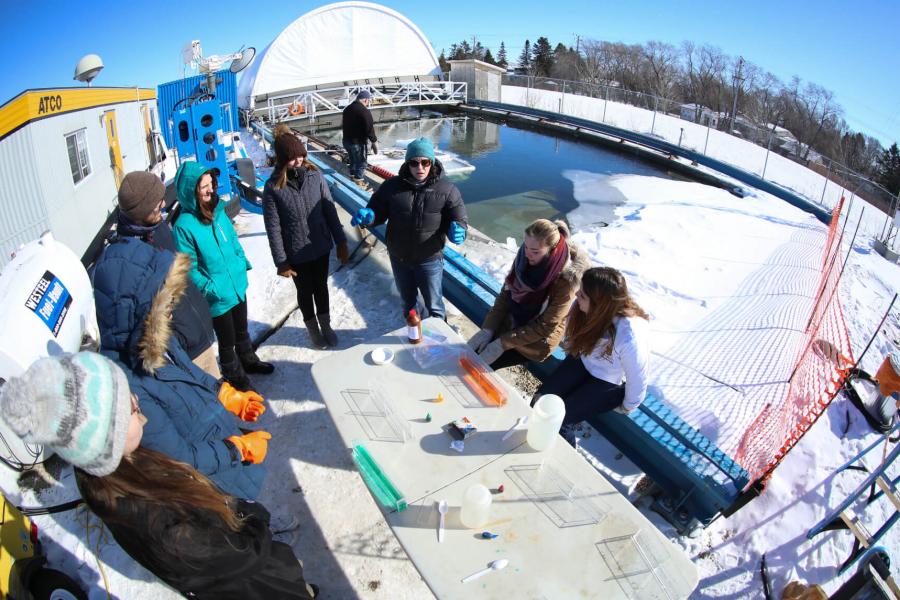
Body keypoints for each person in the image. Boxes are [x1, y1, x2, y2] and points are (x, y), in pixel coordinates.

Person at [0, 352, 318, 599]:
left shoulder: (128, 465)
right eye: (130, 408)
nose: (141, 409)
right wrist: (256, 520)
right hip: (250, 587)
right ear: (105, 441)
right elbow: (240, 555)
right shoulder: (166, 530)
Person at [91, 236, 269, 500]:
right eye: (164, 305)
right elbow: (179, 458)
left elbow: (193, 375)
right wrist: (237, 450)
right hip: (210, 479)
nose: (172, 312)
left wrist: (227, 395)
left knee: (254, 500)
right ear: (138, 312)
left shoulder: (158, 338)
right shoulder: (129, 385)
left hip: (220, 442)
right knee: (245, 519)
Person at [172, 162, 274, 391]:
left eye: (211, 184)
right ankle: (234, 375)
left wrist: (240, 261)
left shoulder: (218, 211)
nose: (210, 190)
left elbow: (233, 239)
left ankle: (248, 360)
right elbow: (189, 268)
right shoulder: (183, 226)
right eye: (203, 187)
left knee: (242, 330)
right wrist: (211, 289)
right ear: (191, 191)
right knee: (227, 341)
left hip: (236, 283)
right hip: (217, 296)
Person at [114, 170, 219, 378]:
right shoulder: (130, 257)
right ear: (142, 209)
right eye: (157, 202)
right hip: (182, 350)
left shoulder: (157, 227)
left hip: (198, 331)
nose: (163, 205)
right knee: (210, 403)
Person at [352, 137, 467, 320]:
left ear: (432, 162)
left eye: (425, 162)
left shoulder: (448, 190)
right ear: (407, 163)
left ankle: (440, 343)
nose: (419, 168)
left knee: (435, 306)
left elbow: (459, 218)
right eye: (414, 163)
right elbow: (377, 210)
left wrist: (459, 230)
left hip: (429, 259)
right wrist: (370, 216)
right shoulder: (391, 186)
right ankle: (414, 335)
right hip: (399, 257)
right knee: (408, 303)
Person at [532, 267, 651, 426]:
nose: (576, 295)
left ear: (599, 304)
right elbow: (571, 336)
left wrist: (628, 405)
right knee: (540, 402)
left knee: (559, 419)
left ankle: (564, 440)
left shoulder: (629, 337)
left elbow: (638, 377)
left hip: (609, 379)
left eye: (582, 295)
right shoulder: (583, 308)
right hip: (583, 360)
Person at [263, 132, 349, 348]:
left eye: (300, 155)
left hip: (319, 245)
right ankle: (313, 330)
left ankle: (326, 326)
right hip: (296, 252)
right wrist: (281, 261)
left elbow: (330, 210)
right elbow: (273, 227)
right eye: (292, 158)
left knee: (321, 287)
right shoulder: (273, 187)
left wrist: (341, 241)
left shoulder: (315, 176)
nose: (298, 160)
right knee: (305, 291)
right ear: (282, 160)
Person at [469, 219, 589, 369]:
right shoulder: (523, 260)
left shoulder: (566, 282)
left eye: (535, 251)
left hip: (535, 341)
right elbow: (506, 295)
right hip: (512, 324)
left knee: (479, 367)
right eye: (525, 246)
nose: (527, 254)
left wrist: (502, 343)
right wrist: (488, 329)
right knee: (470, 354)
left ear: (553, 250)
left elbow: (545, 326)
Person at [341, 90, 377, 188]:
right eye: (368, 101)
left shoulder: (347, 109)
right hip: (358, 142)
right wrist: (374, 141)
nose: (368, 103)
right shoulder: (364, 111)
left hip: (346, 141)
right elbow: (369, 127)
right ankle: (358, 183)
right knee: (362, 163)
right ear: (365, 100)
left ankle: (352, 177)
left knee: (353, 160)